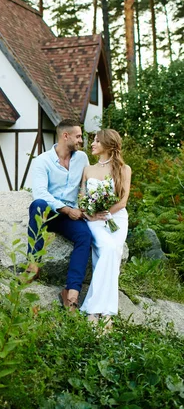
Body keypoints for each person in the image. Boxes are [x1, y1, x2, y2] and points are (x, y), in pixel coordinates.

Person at [27, 119, 92, 310]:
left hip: (69, 217)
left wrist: (86, 207)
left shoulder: (82, 159)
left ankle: (71, 292)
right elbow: (40, 193)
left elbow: (85, 187)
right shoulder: (42, 161)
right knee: (37, 204)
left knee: (85, 236)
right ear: (66, 136)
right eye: (78, 136)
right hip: (49, 212)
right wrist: (66, 209)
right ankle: (33, 266)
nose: (81, 140)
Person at [79, 129, 131, 330]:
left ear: (108, 145)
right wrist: (90, 214)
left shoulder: (124, 169)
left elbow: (124, 200)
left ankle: (99, 311)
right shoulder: (88, 170)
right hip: (94, 220)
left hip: (117, 218)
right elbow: (83, 198)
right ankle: (101, 312)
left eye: (96, 141)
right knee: (108, 248)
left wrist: (107, 212)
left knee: (112, 254)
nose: (92, 144)